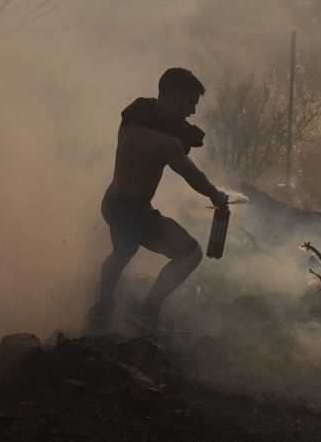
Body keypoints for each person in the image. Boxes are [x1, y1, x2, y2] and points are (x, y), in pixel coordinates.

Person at [88, 68, 229, 332]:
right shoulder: (165, 142)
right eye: (190, 104)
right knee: (190, 254)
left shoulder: (134, 115)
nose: (192, 112)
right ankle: (145, 311)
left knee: (122, 252)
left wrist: (182, 130)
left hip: (113, 201)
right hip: (135, 213)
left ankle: (102, 308)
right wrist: (216, 196)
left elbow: (158, 130)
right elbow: (194, 176)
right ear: (174, 98)